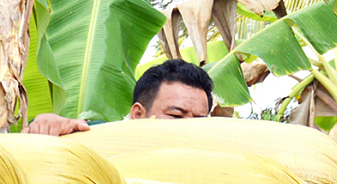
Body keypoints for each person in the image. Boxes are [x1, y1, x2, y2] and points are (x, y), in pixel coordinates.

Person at [22, 58, 213, 135]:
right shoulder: (104, 136)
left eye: (199, 121)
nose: (189, 127)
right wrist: (47, 125)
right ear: (138, 114)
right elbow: (63, 125)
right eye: (176, 116)